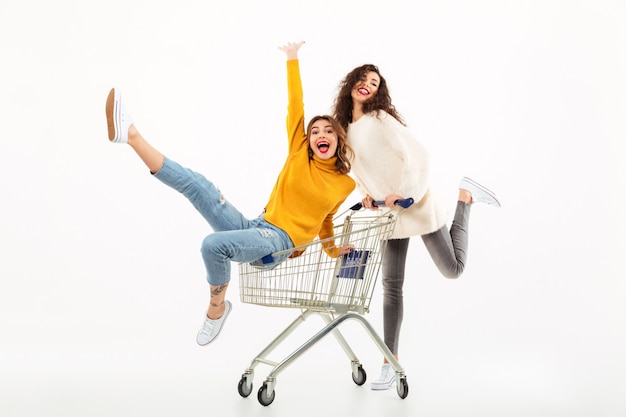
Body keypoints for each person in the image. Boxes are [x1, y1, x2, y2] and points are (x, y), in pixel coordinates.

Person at [104, 41, 355, 346]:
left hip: (277, 243)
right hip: (258, 227)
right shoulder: (298, 152)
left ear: (339, 140)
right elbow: (296, 105)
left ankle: (216, 310)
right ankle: (131, 135)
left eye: (328, 131)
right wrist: (292, 59)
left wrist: (331, 250)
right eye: (315, 131)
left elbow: (325, 218)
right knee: (198, 185)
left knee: (213, 246)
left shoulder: (345, 184)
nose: (320, 135)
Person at [332, 63, 501, 390]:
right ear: (351, 83)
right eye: (363, 80)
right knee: (391, 287)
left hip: (414, 205)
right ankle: (389, 361)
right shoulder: (344, 128)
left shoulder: (380, 119)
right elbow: (359, 169)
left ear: (378, 91)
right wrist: (366, 194)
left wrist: (405, 193)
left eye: (374, 82)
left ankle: (464, 197)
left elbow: (419, 155)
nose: (367, 85)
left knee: (453, 269)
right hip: (388, 215)